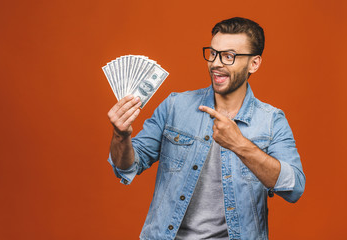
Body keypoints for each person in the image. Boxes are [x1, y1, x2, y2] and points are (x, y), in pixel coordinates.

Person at [107, 17, 305, 240]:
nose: (215, 63)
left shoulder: (272, 121)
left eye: (228, 56)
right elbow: (126, 167)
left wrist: (240, 145)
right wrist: (120, 135)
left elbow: (294, 187)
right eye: (213, 53)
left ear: (254, 63)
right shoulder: (175, 106)